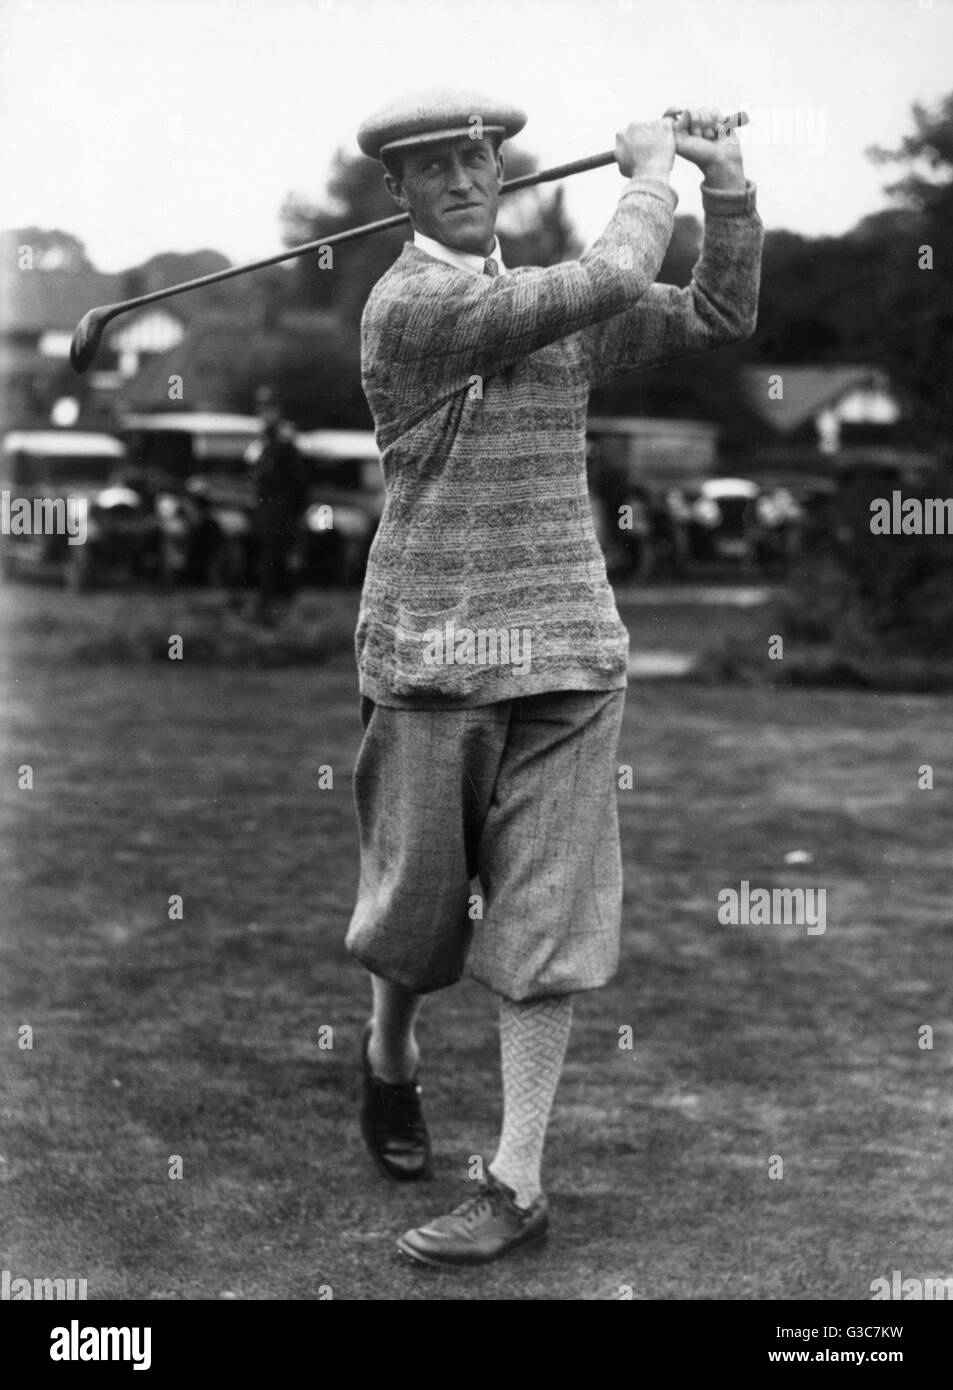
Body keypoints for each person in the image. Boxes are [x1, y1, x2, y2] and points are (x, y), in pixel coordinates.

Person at [347, 88, 763, 1266]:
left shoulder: (561, 306)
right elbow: (593, 282)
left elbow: (720, 310)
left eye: (476, 157)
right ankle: (389, 1057)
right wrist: (646, 179)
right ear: (399, 192)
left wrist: (720, 184)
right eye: (430, 167)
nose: (461, 178)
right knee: (416, 921)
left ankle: (516, 1181)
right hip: (430, 651)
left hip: (569, 649)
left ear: (501, 169)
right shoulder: (410, 306)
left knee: (543, 924)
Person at [247, 386, 309, 623]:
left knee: (276, 560)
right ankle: (270, 606)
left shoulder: (284, 443)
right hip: (267, 512)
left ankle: (272, 608)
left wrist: (295, 512)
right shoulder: (264, 442)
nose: (265, 414)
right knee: (269, 559)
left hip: (282, 512)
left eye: (269, 409)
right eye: (262, 409)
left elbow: (299, 482)